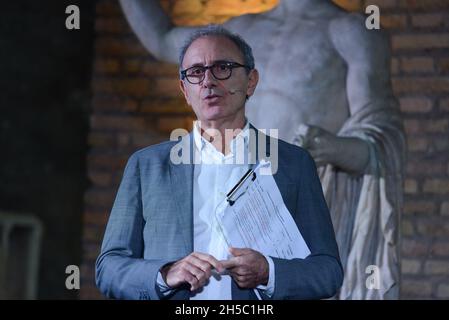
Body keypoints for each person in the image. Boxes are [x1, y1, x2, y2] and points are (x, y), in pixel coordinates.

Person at [119, 0, 406, 299]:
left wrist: (331, 148)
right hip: (225, 189)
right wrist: (163, 274)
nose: (208, 81)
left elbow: (379, 143)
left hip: (299, 200)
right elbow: (162, 39)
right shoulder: (236, 32)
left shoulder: (349, 31)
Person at [95, 25, 343, 300]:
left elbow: (327, 271)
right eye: (196, 72)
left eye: (222, 67)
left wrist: (269, 272)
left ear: (251, 81)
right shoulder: (147, 166)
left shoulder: (293, 164)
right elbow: (108, 268)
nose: (208, 81)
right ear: (184, 90)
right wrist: (165, 274)